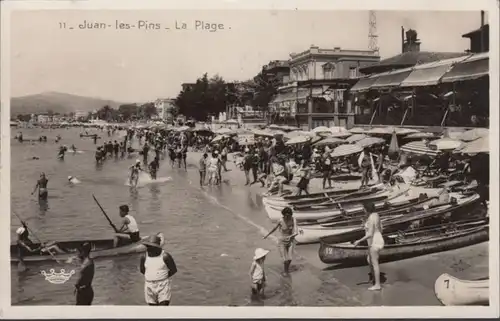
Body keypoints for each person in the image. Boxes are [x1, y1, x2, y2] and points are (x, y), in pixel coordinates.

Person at [353, 203, 384, 291]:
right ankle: (374, 279)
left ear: (367, 209)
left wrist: (358, 241)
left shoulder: (371, 218)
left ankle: (377, 285)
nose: (363, 210)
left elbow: (370, 234)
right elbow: (381, 228)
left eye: (363, 208)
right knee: (369, 260)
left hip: (374, 241)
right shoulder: (376, 215)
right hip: (378, 239)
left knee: (374, 263)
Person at [140, 234, 178, 306]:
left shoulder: (165, 256)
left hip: (163, 285)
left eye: (151, 247)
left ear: (156, 247)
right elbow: (142, 270)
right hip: (149, 285)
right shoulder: (144, 257)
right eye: (148, 246)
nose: (148, 248)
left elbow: (173, 270)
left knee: (163, 308)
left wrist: (162, 276)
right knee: (152, 310)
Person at [263, 207, 298, 274]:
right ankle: (285, 271)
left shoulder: (293, 220)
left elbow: (296, 232)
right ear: (283, 215)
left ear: (291, 215)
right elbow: (274, 229)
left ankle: (286, 270)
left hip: (290, 241)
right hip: (282, 241)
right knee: (285, 260)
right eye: (286, 216)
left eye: (289, 216)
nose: (287, 217)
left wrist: (291, 236)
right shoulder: (280, 220)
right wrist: (267, 235)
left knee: (290, 259)